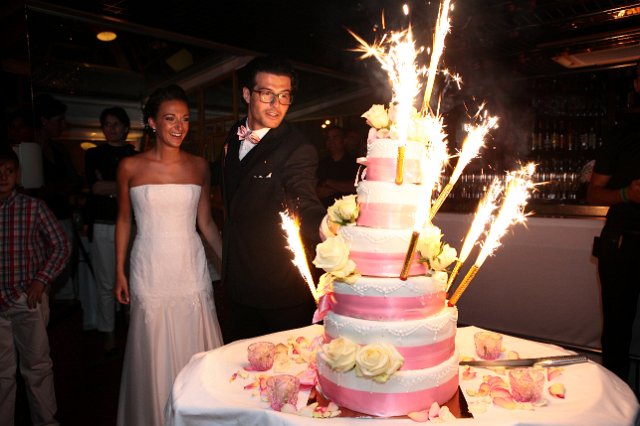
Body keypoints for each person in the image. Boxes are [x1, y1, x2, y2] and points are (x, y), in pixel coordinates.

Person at [114, 84, 223, 425]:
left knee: (195, 343)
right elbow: (123, 220)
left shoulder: (199, 166)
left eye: (185, 119)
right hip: (149, 267)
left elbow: (205, 222)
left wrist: (231, 261)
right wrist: (118, 271)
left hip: (190, 266)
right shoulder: (130, 166)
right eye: (170, 118)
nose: (179, 126)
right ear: (152, 122)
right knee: (152, 345)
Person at [220, 56, 326, 342]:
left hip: (280, 290)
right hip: (238, 283)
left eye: (284, 96)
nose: (276, 105)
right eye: (267, 94)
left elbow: (304, 199)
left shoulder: (297, 148)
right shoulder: (233, 135)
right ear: (247, 94)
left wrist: (325, 225)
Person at [0, 146, 71, 426]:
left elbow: (61, 245)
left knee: (37, 367)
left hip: (26, 299)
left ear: (17, 174)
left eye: (8, 171)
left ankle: (45, 421)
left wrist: (41, 280)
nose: (3, 177)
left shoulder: (33, 207)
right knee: (2, 371)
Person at [587, 60, 640, 382]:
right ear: (637, 85)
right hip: (624, 244)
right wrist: (626, 195)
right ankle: (615, 405)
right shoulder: (623, 133)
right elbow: (594, 193)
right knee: (617, 332)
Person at [84, 106, 137, 352]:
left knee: (134, 280)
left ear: (126, 127)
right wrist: (122, 186)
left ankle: (132, 330)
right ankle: (108, 333)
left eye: (115, 124)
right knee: (106, 283)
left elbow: (133, 190)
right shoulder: (94, 154)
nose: (111, 128)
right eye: (106, 124)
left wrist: (113, 186)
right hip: (104, 225)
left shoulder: (135, 155)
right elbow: (96, 188)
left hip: (133, 226)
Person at [34, 94, 82, 300]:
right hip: (36, 221)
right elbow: (34, 190)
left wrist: (53, 189)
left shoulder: (59, 149)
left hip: (61, 216)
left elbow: (76, 181)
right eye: (59, 120)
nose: (63, 124)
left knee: (62, 264)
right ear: (44, 121)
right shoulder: (26, 149)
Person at [316, 125, 359, 208]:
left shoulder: (354, 163)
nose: (331, 141)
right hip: (325, 211)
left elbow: (357, 187)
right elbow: (319, 192)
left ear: (344, 140)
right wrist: (342, 187)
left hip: (349, 211)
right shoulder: (322, 164)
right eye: (328, 138)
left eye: (335, 137)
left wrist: (329, 183)